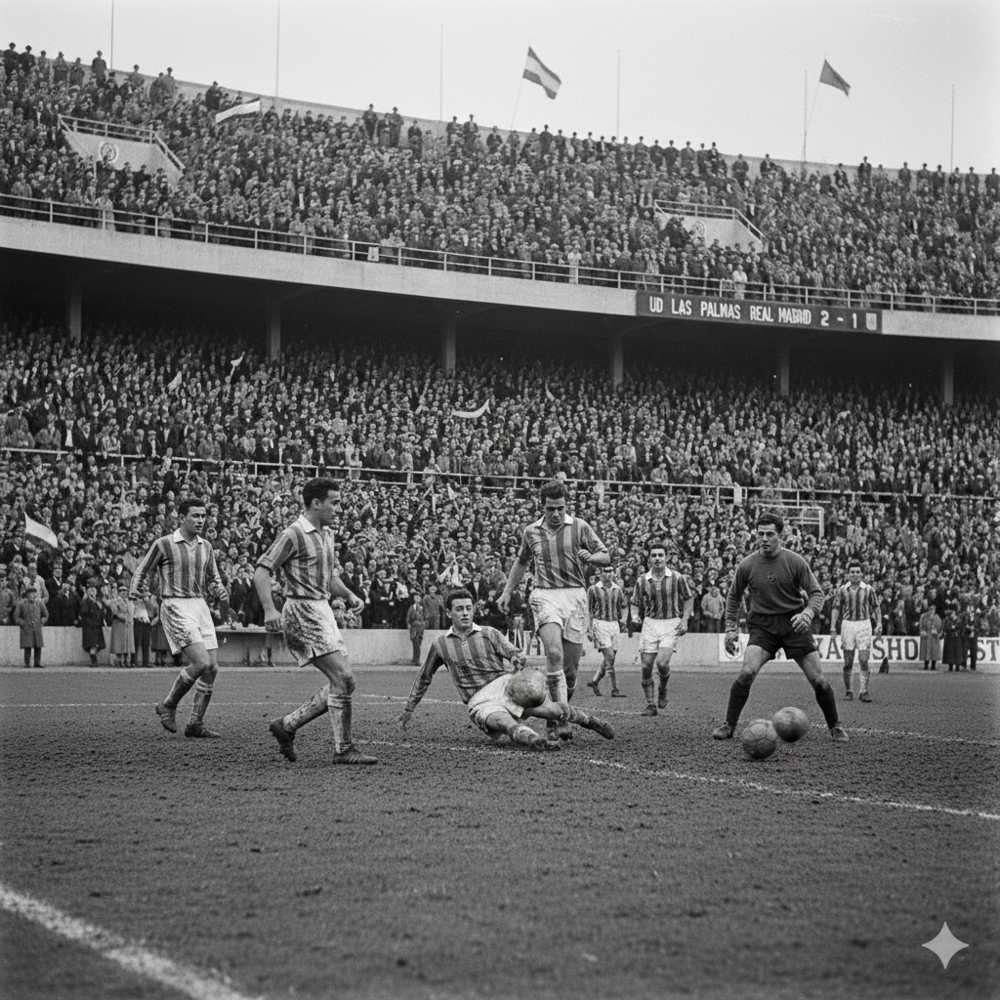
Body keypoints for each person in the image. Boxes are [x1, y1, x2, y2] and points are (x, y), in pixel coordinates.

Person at [255, 478, 376, 765]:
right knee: (343, 678)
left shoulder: (327, 534)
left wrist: (349, 595)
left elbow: (329, 575)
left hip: (323, 609)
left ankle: (286, 726)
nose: (339, 508)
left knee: (345, 682)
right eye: (334, 502)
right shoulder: (293, 533)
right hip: (301, 610)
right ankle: (343, 750)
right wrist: (270, 610)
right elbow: (262, 570)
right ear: (316, 503)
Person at [398, 589, 615, 750]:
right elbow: (425, 677)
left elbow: (514, 653)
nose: (465, 613)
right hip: (479, 701)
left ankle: (591, 722)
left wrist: (518, 659)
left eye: (468, 608)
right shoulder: (440, 645)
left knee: (554, 711)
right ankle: (535, 740)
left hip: (507, 687)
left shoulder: (489, 633)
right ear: (449, 613)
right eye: (459, 609)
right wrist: (409, 708)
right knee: (503, 721)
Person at [712, 512, 847, 743]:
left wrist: (807, 613)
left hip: (794, 624)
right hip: (762, 626)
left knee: (819, 681)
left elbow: (817, 593)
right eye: (760, 534)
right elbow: (733, 597)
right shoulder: (747, 564)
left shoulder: (795, 561)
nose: (764, 538)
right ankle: (728, 725)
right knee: (746, 673)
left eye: (770, 534)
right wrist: (730, 629)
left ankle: (835, 726)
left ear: (780, 536)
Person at [498, 480, 609, 740]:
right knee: (554, 654)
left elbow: (606, 555)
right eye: (551, 509)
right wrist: (507, 591)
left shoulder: (580, 527)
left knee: (570, 672)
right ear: (543, 507)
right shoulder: (531, 532)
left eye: (560, 508)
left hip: (575, 596)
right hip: (545, 595)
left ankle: (558, 711)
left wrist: (592, 558)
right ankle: (558, 721)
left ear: (566, 505)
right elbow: (522, 561)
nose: (556, 514)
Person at [130, 498, 229, 738]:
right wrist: (136, 588)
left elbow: (213, 576)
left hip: (200, 605)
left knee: (212, 668)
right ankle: (168, 704)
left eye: (203, 516)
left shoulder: (206, 546)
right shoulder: (164, 544)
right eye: (195, 516)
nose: (200, 520)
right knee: (201, 663)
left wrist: (219, 589)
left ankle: (195, 723)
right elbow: (143, 569)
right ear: (181, 518)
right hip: (175, 604)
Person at [630, 541, 693, 716]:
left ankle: (663, 688)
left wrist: (685, 620)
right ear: (649, 558)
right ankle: (650, 705)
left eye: (660, 555)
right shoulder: (642, 580)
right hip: (650, 623)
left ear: (666, 558)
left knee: (662, 663)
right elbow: (634, 603)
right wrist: (635, 616)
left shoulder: (677, 577)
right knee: (646, 666)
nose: (657, 559)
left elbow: (688, 599)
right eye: (654, 555)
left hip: (671, 622)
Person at [829, 562, 882, 703]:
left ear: (861, 574)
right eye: (852, 572)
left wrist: (879, 624)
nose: (855, 574)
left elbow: (876, 607)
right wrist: (833, 627)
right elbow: (835, 608)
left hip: (864, 624)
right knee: (848, 662)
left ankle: (864, 692)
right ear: (848, 574)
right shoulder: (842, 590)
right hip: (848, 625)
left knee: (864, 659)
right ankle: (849, 691)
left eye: (857, 572)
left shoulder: (869, 589)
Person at [586, 565, 627, 697]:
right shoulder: (593, 589)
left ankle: (595, 681)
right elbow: (589, 610)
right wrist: (589, 628)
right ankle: (614, 689)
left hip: (614, 624)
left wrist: (624, 620)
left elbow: (623, 606)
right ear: (600, 573)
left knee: (611, 658)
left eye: (610, 570)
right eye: (605, 571)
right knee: (609, 656)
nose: (608, 573)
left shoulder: (617, 589)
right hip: (600, 623)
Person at [15, 583, 48, 669]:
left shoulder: (40, 603)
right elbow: (16, 616)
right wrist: (23, 624)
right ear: (27, 594)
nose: (33, 595)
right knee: (27, 646)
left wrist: (42, 620)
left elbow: (46, 614)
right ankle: (27, 663)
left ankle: (37, 662)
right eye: (31, 593)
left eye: (34, 593)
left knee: (38, 645)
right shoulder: (21, 604)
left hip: (37, 626)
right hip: (27, 627)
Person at [76, 583, 108, 667]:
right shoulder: (85, 601)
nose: (92, 592)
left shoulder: (98, 601)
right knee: (92, 644)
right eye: (90, 590)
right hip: (89, 626)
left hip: (97, 626)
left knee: (96, 645)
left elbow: (103, 613)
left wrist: (101, 608)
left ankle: (94, 661)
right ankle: (94, 662)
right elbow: (83, 612)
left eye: (93, 590)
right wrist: (86, 600)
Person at [918, 601, 942, 671]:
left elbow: (940, 626)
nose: (932, 611)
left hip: (934, 637)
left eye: (933, 609)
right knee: (926, 651)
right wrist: (922, 631)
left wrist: (937, 631)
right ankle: (926, 665)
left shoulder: (937, 617)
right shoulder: (924, 616)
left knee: (934, 651)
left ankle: (933, 665)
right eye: (930, 609)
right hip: (927, 636)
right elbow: (921, 625)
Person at [406, 591, 425, 666]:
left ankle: (414, 659)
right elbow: (408, 617)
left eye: (419, 598)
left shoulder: (422, 608)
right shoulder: (412, 608)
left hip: (420, 628)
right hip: (414, 628)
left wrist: (424, 624)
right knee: (416, 645)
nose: (418, 600)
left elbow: (424, 618)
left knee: (418, 645)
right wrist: (408, 624)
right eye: (416, 598)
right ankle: (416, 660)